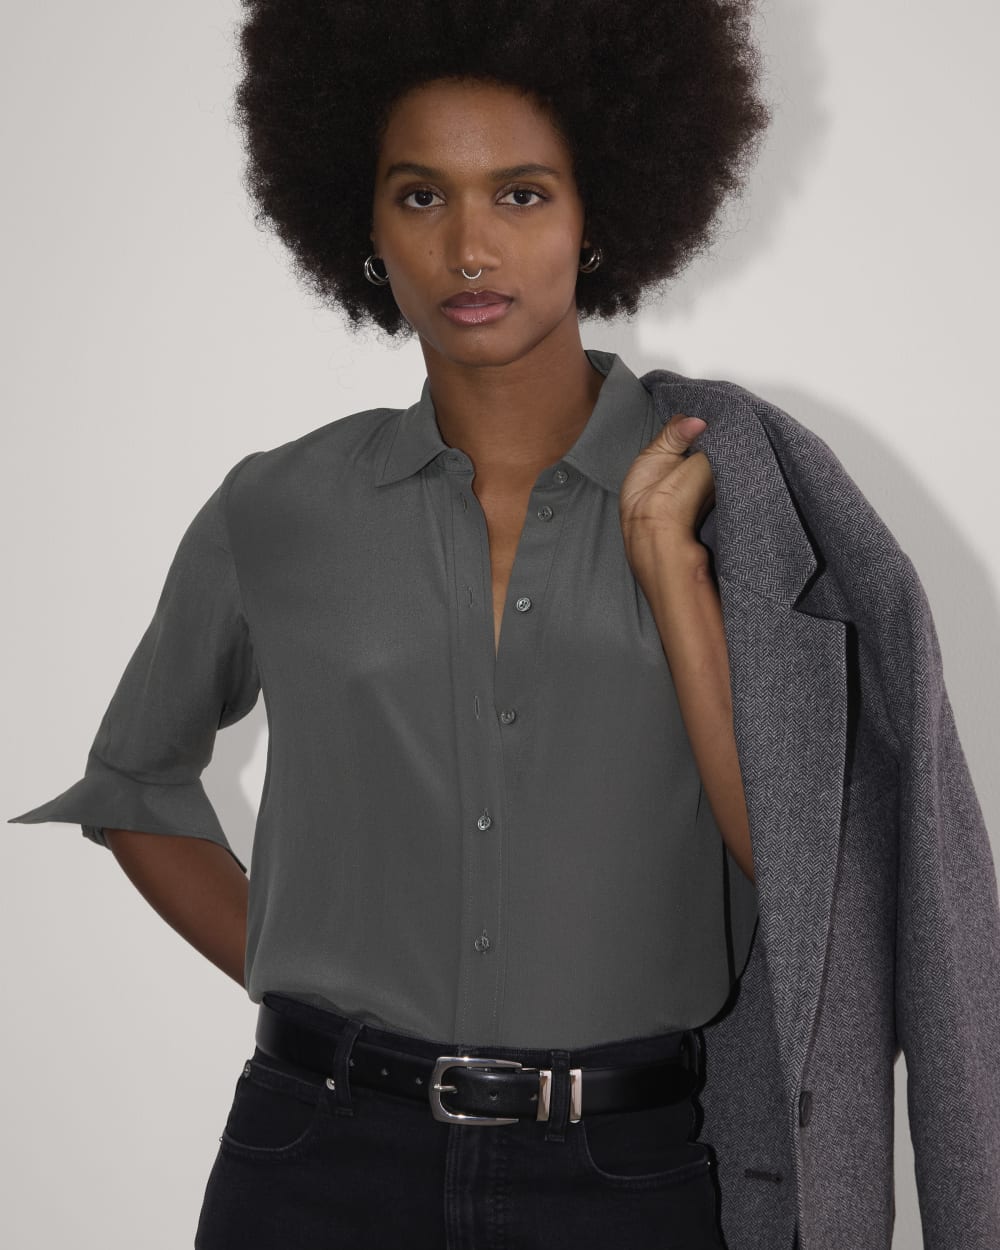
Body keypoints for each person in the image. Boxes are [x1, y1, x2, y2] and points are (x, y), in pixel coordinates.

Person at [9, 2, 1000, 1248]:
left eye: (521, 194)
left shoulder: (734, 502)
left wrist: (673, 579)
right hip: (314, 1160)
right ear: (365, 227)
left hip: (623, 1177)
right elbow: (134, 784)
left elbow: (806, 873)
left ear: (599, 216)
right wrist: (316, 974)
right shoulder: (277, 508)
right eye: (421, 196)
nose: (470, 246)